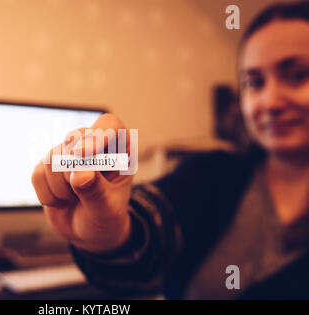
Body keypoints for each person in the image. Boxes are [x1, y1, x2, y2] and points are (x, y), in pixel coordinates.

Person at [31, 2, 309, 299]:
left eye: (296, 75)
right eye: (254, 83)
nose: (270, 102)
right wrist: (112, 233)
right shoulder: (213, 175)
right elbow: (155, 221)